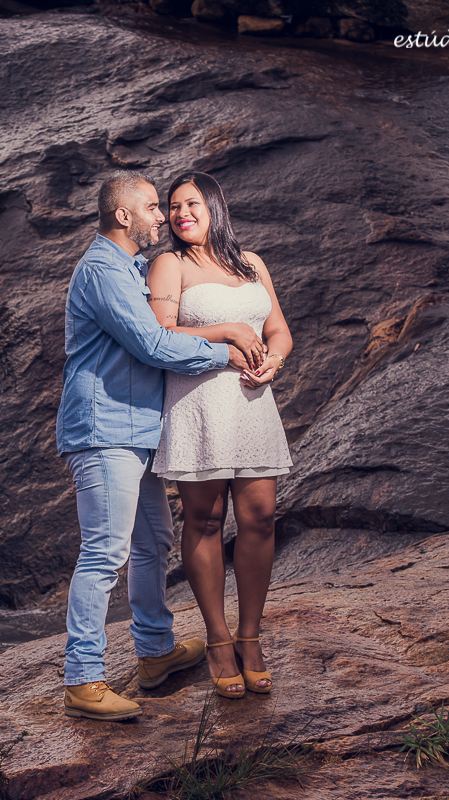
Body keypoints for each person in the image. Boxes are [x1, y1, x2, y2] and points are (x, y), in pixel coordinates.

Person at [56, 170, 265, 721]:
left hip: (141, 429)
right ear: (123, 216)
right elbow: (153, 343)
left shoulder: (130, 269)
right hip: (104, 431)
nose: (162, 217)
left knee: (153, 543)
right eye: (152, 207)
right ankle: (83, 679)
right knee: (104, 551)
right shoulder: (102, 271)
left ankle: (155, 651)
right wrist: (228, 347)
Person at [146, 171, 293, 699]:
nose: (182, 213)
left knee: (259, 519)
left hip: (253, 403)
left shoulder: (250, 263)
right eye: (173, 206)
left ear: (214, 205)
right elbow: (159, 333)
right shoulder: (169, 263)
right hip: (198, 403)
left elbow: (278, 328)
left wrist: (273, 361)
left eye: (192, 203)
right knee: (206, 520)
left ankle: (251, 637)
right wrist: (227, 331)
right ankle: (217, 639)